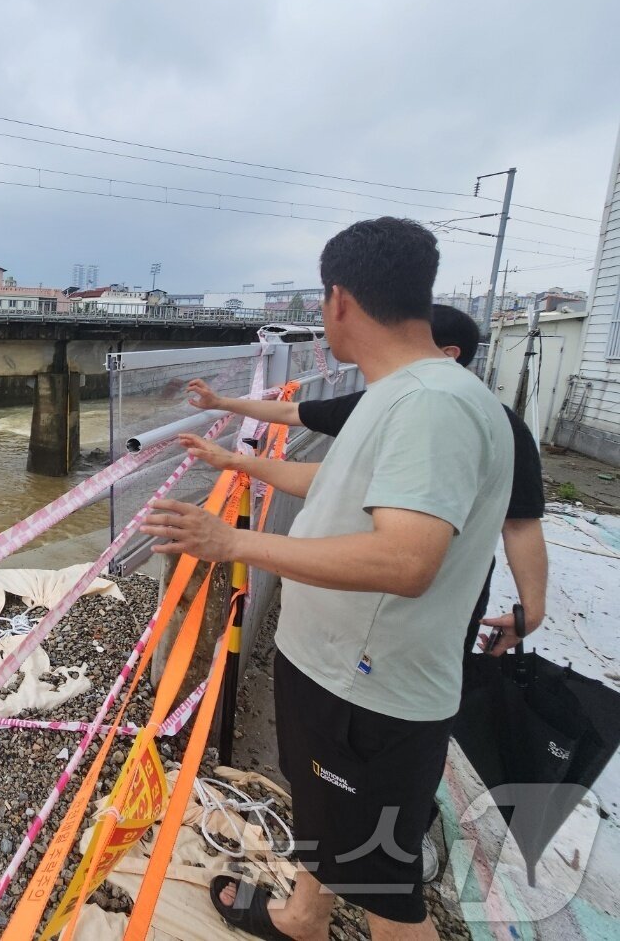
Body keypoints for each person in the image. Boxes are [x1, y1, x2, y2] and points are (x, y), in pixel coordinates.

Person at [140, 218, 513, 941]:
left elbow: (406, 560)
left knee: (386, 888)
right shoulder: (404, 391)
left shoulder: (432, 406)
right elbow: (339, 480)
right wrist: (237, 464)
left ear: (338, 299)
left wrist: (234, 541)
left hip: (369, 697)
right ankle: (303, 917)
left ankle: (323, 916)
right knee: (327, 820)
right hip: (339, 678)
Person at [182, 303, 547, 663]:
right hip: (341, 631)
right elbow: (300, 424)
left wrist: (531, 610)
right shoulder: (381, 403)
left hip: (409, 639)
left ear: (449, 354)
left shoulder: (484, 424)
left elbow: (518, 522)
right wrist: (224, 411)